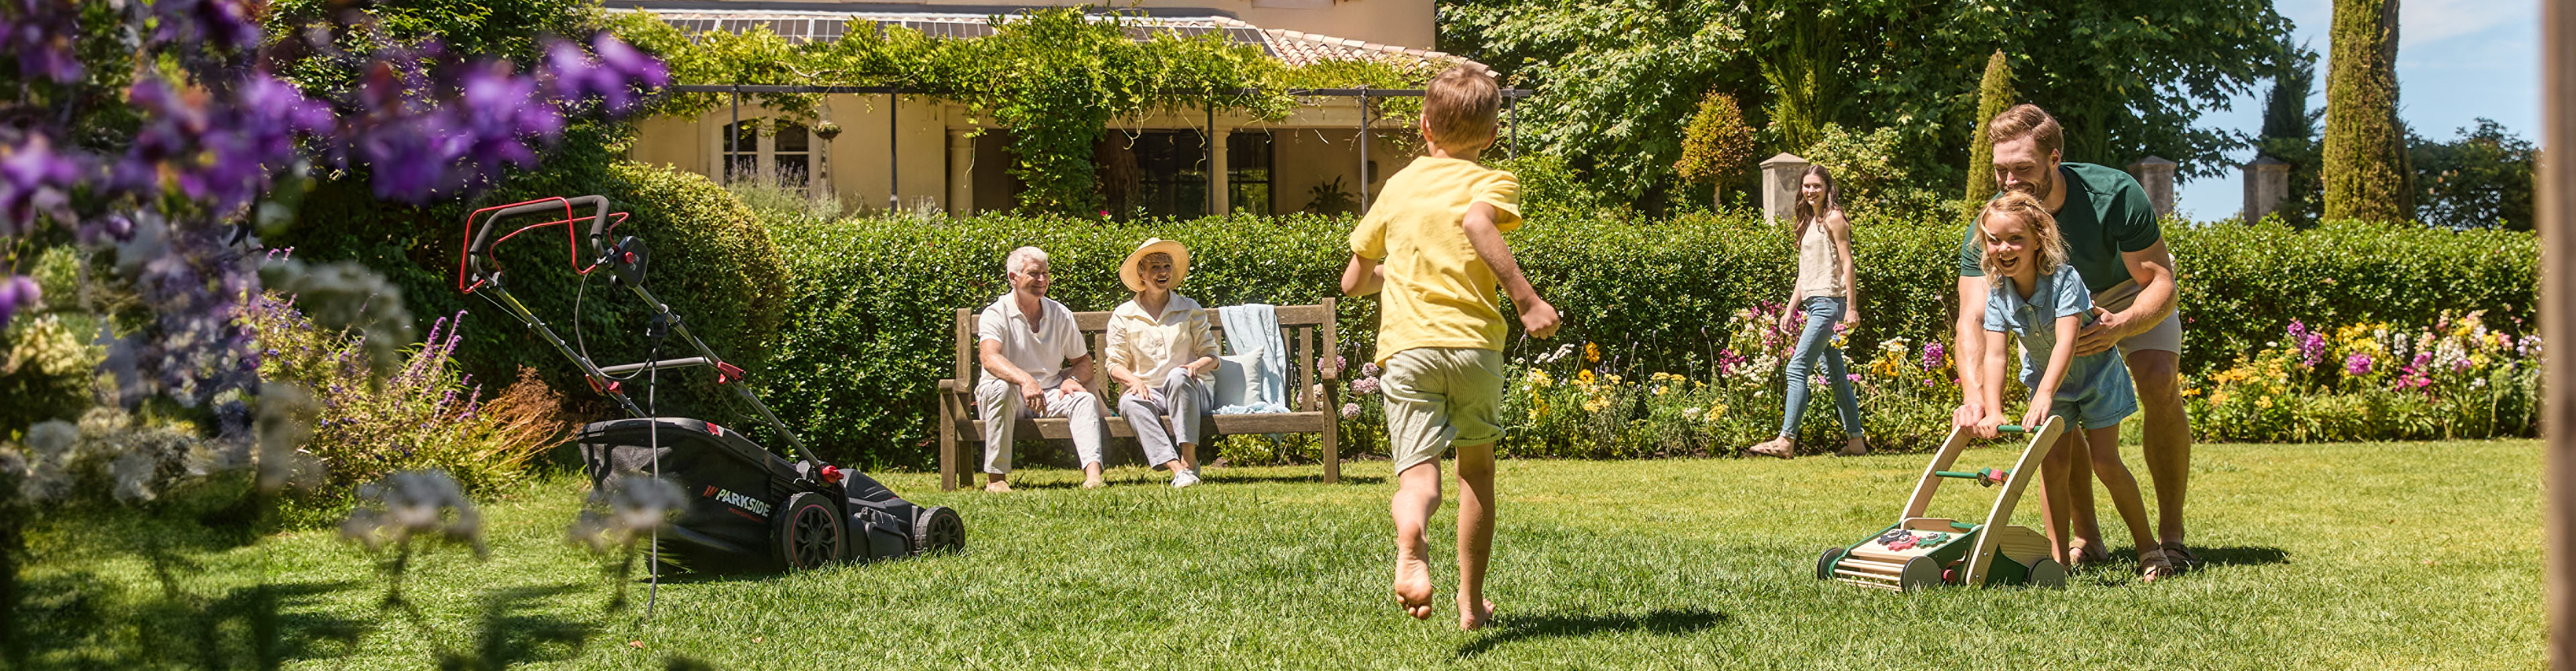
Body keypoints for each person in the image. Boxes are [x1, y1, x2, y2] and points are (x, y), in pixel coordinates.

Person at [1340, 64, 1560, 631]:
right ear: (1491, 135)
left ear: (1424, 126)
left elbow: (1354, 282)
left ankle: (1412, 531)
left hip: (1409, 349)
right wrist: (1527, 299)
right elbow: (1477, 224)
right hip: (1472, 348)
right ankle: (1470, 605)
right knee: (1476, 472)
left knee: (1419, 481)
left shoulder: (1398, 186)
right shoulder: (1492, 181)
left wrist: (1398, 272)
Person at [1951, 103, 2198, 572]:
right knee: (2061, 414)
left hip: (2125, 291)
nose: (2009, 181)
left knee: (2157, 375)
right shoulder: (1993, 228)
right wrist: (1975, 397)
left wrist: (2121, 325)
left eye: (2023, 168)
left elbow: (2160, 283)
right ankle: (2085, 539)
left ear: (2054, 158)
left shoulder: (2113, 193)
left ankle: (2170, 537)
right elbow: (1974, 318)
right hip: (2048, 306)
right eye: (2001, 170)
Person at [1966, 193, 2172, 581]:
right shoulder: (1997, 291)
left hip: (2097, 379)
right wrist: (1993, 409)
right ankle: (2058, 562)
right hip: (2052, 385)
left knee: (2106, 462)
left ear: (2038, 239)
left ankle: (2150, 550)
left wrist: (2045, 394)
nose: (2003, 249)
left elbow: (2066, 341)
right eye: (1994, 240)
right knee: (2053, 467)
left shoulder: (2064, 279)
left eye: (2015, 239)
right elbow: (1995, 355)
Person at [1748, 165, 1869, 459]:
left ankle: (1785, 441)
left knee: (1796, 368)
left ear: (1827, 188)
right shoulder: (1809, 222)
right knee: (1836, 375)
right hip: (1815, 304)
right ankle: (1856, 443)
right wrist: (1790, 309)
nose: (1811, 191)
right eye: (1806, 186)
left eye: (1817, 186)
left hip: (1830, 304)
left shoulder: (1834, 218)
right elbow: (1805, 274)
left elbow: (1848, 263)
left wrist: (1852, 307)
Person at [974, 246, 1108, 493]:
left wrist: (1073, 380)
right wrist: (1024, 380)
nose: (1042, 280)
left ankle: (1094, 476)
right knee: (1002, 389)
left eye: (1045, 273)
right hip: (1005, 395)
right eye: (1034, 274)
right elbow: (989, 357)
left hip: (1048, 394)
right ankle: (996, 479)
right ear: (1013, 278)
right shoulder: (996, 313)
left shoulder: (1060, 313)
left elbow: (1083, 361)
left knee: (1083, 399)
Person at [1104, 238, 1216, 489]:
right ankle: (1178, 471)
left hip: (1192, 390)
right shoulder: (1124, 314)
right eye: (1155, 267)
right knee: (1128, 402)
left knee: (1177, 376)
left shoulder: (1189, 308)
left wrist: (1195, 367)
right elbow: (1114, 364)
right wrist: (1134, 381)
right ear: (1141, 274)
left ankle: (1189, 459)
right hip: (1151, 394)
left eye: (1167, 266)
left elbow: (1212, 356)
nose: (1163, 272)